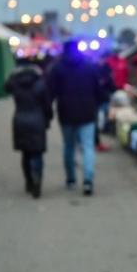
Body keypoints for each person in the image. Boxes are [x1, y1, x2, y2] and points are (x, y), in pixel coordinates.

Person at [47, 39, 102, 196]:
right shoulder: (89, 67)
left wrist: (48, 111)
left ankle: (71, 179)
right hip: (87, 113)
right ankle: (88, 180)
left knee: (68, 147)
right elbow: (98, 89)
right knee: (88, 147)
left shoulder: (57, 68)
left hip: (66, 113)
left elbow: (50, 92)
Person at [4, 60, 53, 199]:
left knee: (25, 153)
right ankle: (37, 177)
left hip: (20, 119)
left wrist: (12, 76)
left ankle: (29, 182)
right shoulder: (40, 83)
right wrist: (48, 119)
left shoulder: (15, 82)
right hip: (38, 120)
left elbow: (5, 88)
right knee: (37, 153)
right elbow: (47, 105)